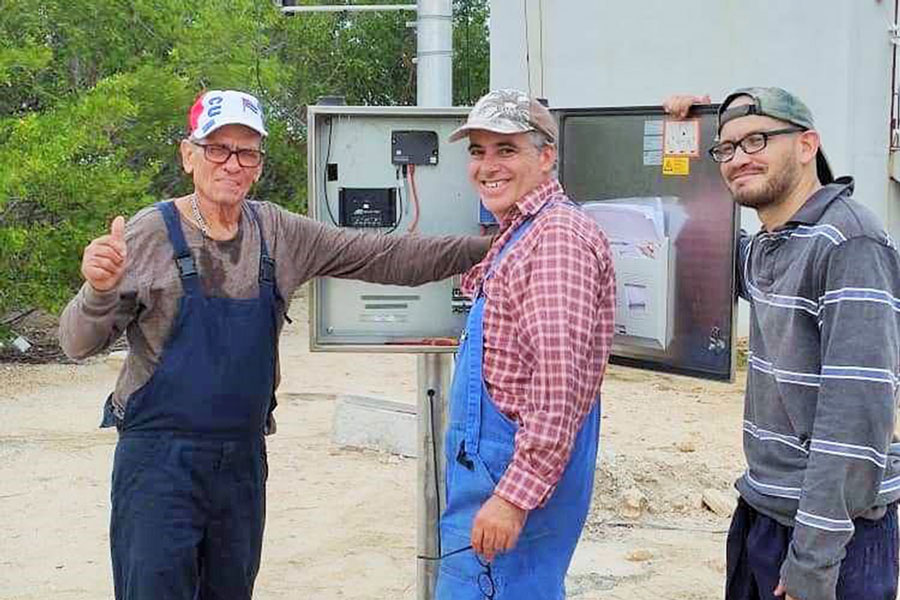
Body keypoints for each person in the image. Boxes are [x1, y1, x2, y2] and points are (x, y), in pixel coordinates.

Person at [58, 89, 492, 600]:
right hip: (158, 464)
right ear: (188, 154)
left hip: (241, 462)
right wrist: (98, 290)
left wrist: (489, 248)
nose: (232, 164)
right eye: (218, 148)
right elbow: (75, 343)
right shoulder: (150, 233)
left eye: (247, 152)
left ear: (259, 164)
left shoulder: (278, 232)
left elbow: (385, 255)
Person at [664, 88, 900, 600]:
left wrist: (813, 563)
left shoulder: (849, 241)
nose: (739, 158)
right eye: (726, 149)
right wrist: (691, 133)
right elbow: (691, 235)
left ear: (806, 144)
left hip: (833, 535)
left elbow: (855, 421)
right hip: (764, 511)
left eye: (757, 140)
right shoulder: (773, 245)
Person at [434, 89, 615, 599]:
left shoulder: (555, 238)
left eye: (506, 149)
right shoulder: (521, 231)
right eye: (478, 151)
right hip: (493, 469)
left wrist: (513, 499)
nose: (488, 165)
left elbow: (558, 386)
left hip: (509, 477)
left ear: (546, 156)